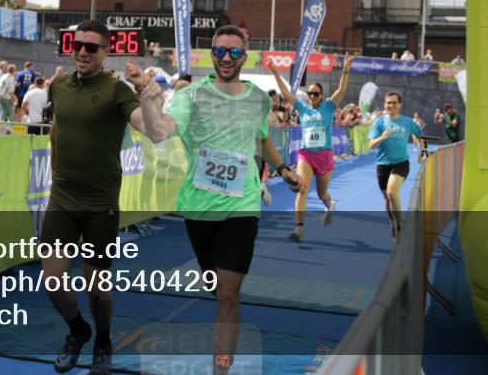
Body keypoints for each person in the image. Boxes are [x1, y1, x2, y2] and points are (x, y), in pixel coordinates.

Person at [137, 25, 302, 374]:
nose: (226, 58)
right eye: (220, 51)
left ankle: (220, 370)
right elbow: (160, 131)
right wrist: (146, 98)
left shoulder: (258, 98)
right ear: (211, 54)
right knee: (218, 291)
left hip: (242, 207)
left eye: (234, 52)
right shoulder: (190, 96)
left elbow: (261, 140)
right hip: (199, 209)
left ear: (245, 56)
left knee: (227, 295)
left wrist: (284, 169)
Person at [42, 20, 154, 375]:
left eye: (92, 47)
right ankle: (79, 330)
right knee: (53, 280)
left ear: (106, 52)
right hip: (62, 196)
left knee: (97, 291)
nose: (82, 52)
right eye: (78, 45)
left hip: (100, 203)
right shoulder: (58, 86)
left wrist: (147, 92)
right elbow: (57, 130)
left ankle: (103, 338)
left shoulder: (116, 90)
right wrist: (56, 171)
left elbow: (144, 124)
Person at [267, 55, 353, 241]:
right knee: (302, 188)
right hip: (305, 155)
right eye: (310, 94)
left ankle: (330, 206)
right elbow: (285, 91)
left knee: (322, 193)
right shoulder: (303, 108)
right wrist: (275, 71)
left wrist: (345, 70)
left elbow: (341, 90)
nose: (312, 96)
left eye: (315, 93)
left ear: (321, 96)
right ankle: (298, 230)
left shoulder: (329, 107)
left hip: (324, 156)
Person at [368, 92, 423, 239]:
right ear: (384, 104)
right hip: (382, 165)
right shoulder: (379, 122)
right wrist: (381, 137)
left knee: (392, 192)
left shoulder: (407, 122)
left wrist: (422, 151)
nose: (390, 105)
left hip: (401, 163)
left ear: (399, 105)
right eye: (388, 103)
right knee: (388, 199)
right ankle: (393, 222)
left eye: (393, 103)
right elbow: (370, 145)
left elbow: (420, 135)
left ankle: (399, 226)